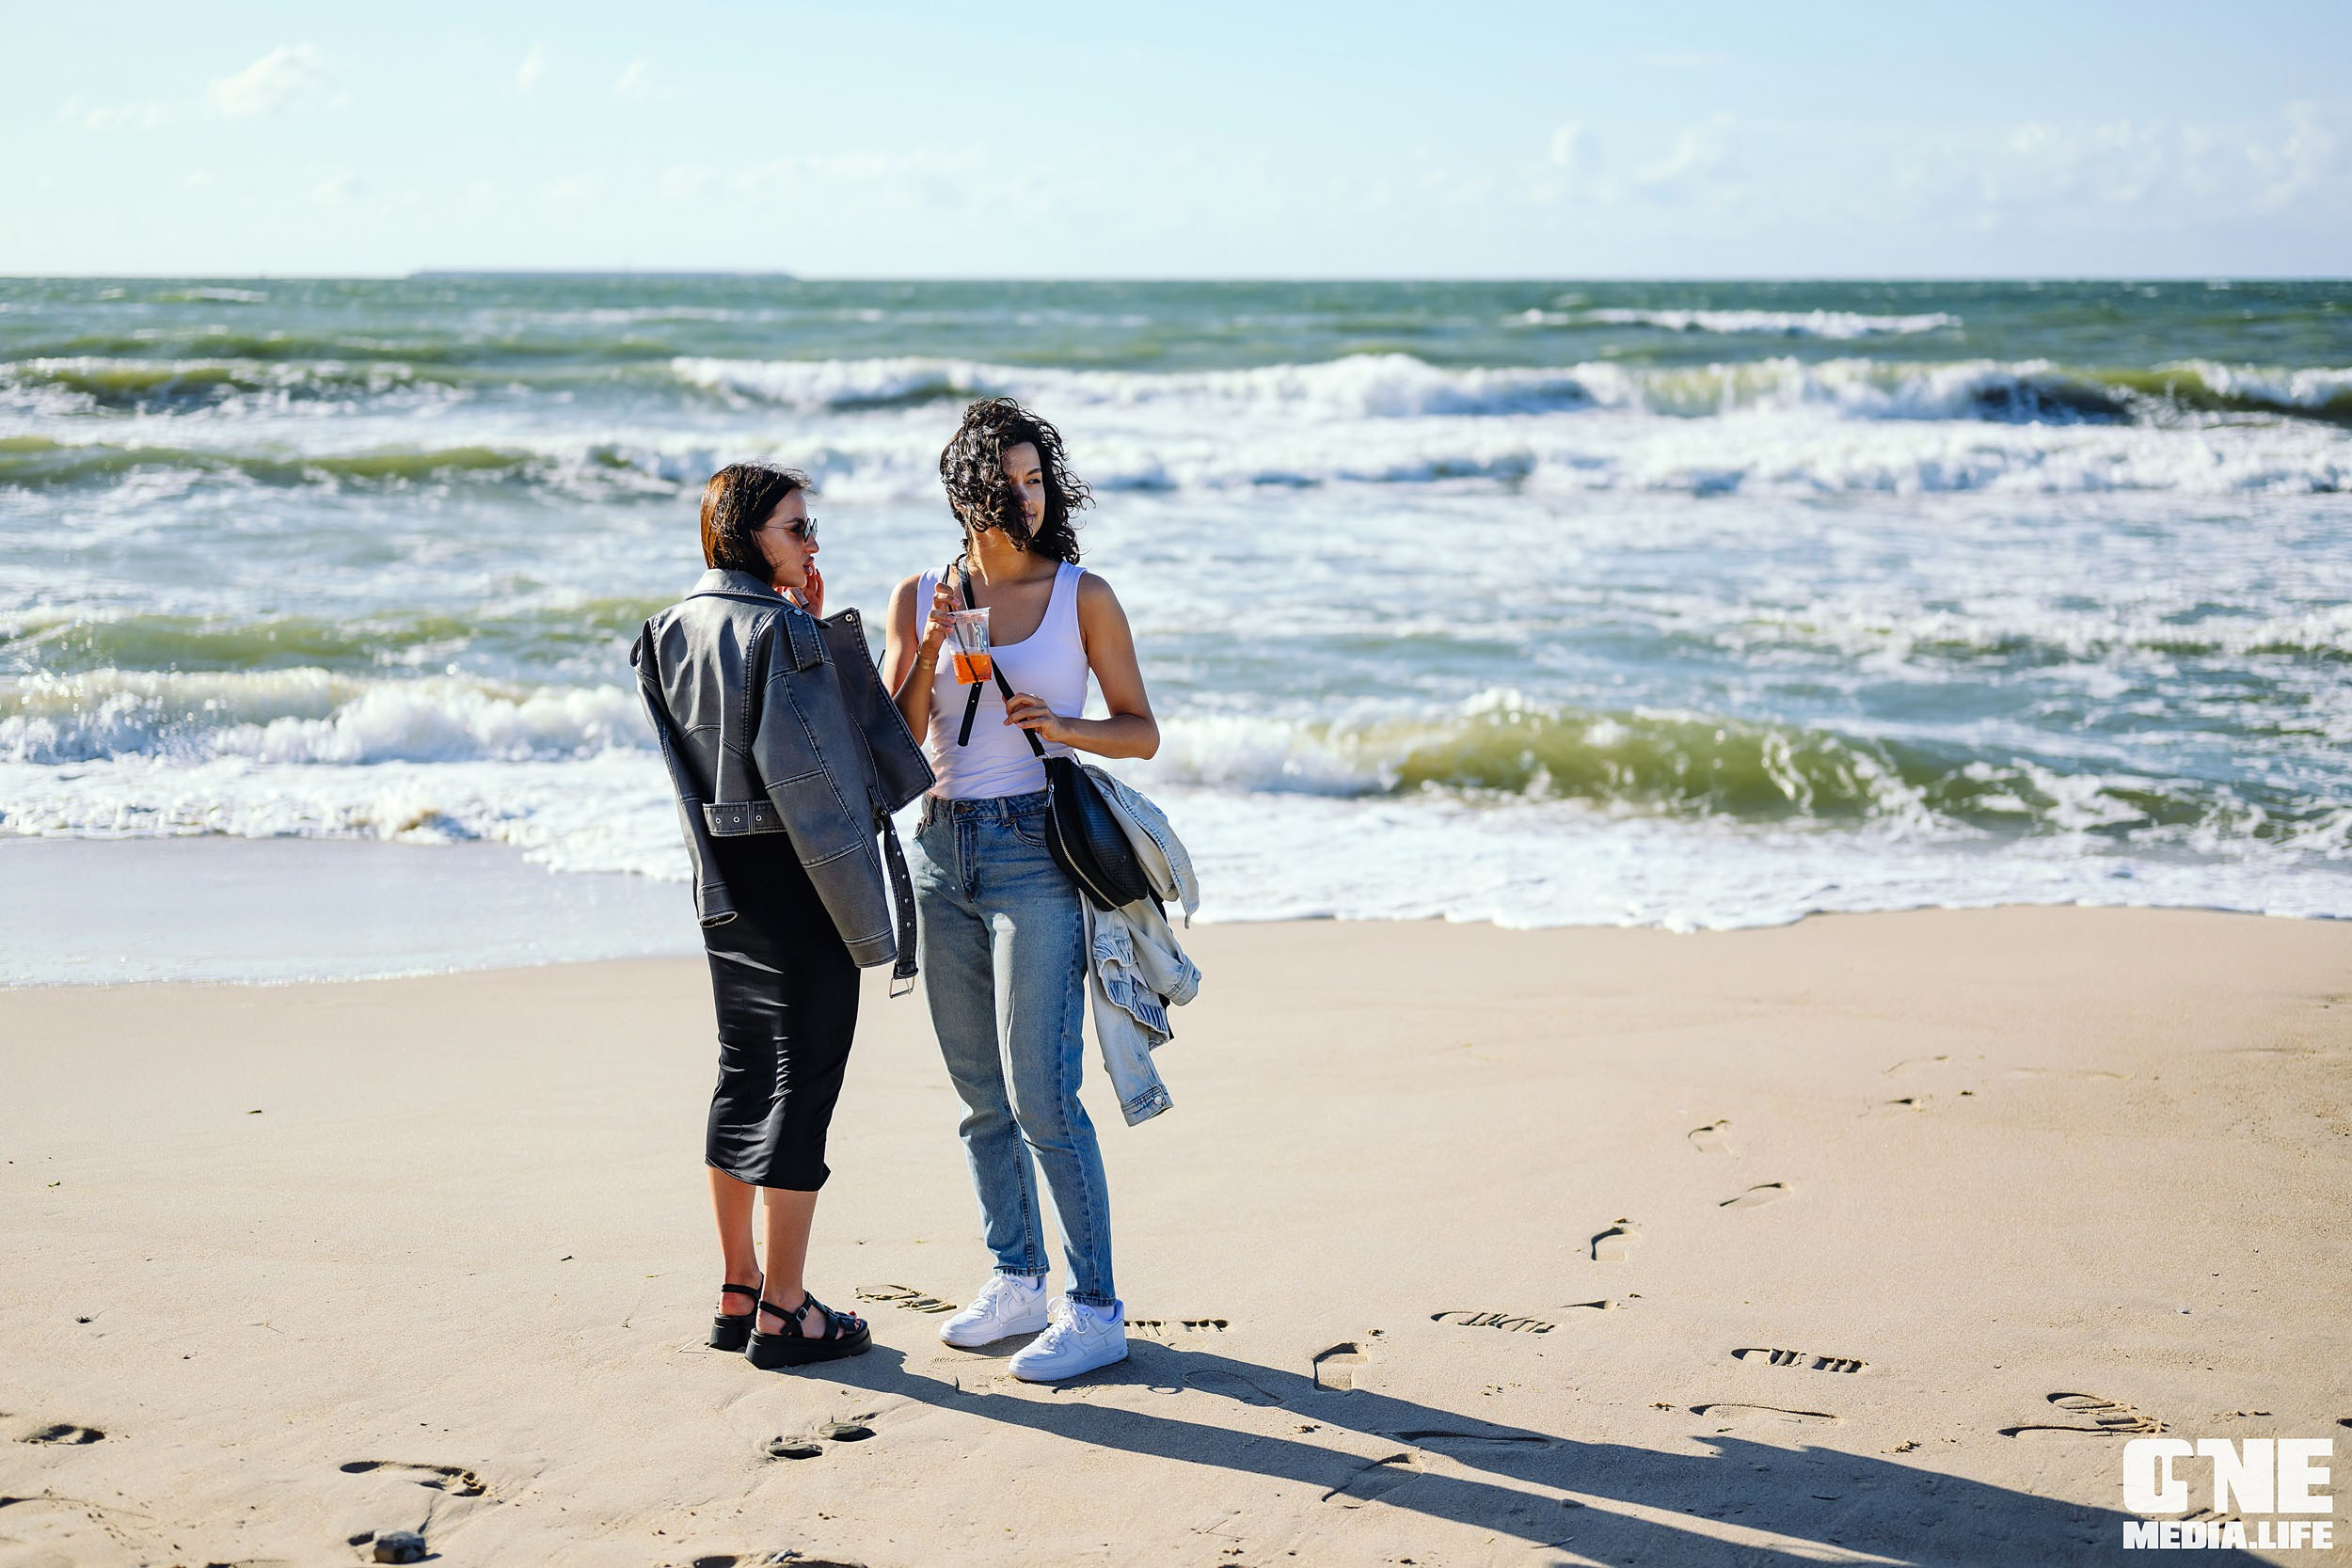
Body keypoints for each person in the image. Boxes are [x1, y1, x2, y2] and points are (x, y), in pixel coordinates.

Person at [882, 398, 1160, 1383]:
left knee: (1045, 1091)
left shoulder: (1083, 594)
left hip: (1036, 853)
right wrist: (923, 643)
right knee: (978, 1094)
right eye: (1013, 478)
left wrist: (1063, 725)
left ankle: (1097, 1308)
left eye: (1041, 477)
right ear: (970, 489)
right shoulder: (919, 589)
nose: (1030, 494)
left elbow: (1141, 727)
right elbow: (899, 737)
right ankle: (1016, 1277)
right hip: (939, 851)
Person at [632, 461, 930, 1370]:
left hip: (723, 881)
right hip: (804, 889)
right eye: (797, 529)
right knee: (804, 1088)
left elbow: (703, 775)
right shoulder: (781, 631)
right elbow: (847, 782)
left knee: (741, 1073)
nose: (811, 544)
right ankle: (787, 1310)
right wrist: (859, 651)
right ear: (747, 536)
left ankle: (737, 1288)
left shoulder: (666, 630)